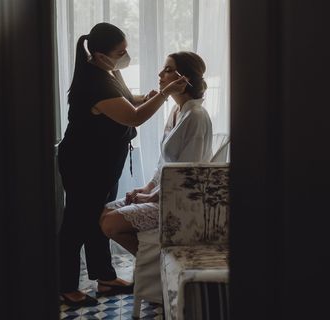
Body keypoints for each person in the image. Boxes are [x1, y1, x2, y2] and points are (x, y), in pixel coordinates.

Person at [57, 23, 188, 307]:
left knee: (95, 216)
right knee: (77, 223)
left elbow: (128, 102)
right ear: (102, 54)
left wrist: (149, 97)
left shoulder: (109, 72)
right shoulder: (94, 81)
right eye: (121, 51)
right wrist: (165, 96)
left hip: (103, 161)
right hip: (84, 163)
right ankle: (65, 285)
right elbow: (133, 117)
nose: (126, 55)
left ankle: (105, 277)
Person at [99, 51, 213, 255]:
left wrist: (151, 197)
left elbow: (185, 174)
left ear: (184, 79)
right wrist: (147, 187)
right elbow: (163, 162)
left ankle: (157, 264)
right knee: (105, 211)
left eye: (168, 70)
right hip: (163, 191)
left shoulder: (195, 116)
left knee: (109, 223)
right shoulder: (177, 111)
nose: (160, 74)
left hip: (180, 200)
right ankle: (151, 262)